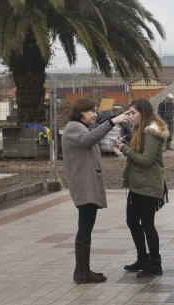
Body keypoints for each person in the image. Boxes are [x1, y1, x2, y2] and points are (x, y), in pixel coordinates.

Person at [62, 97, 133, 284]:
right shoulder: (74, 128)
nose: (95, 115)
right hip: (83, 185)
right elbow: (89, 140)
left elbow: (91, 140)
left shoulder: (79, 127)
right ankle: (82, 273)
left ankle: (83, 270)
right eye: (91, 111)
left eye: (95, 111)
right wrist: (112, 122)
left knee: (86, 228)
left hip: (86, 184)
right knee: (84, 228)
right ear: (81, 112)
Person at [114, 99, 168, 278]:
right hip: (138, 184)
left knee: (147, 224)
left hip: (148, 185)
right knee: (132, 221)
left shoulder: (151, 131)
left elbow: (146, 160)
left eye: (133, 113)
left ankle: (155, 263)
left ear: (143, 114)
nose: (130, 116)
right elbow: (139, 152)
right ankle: (142, 258)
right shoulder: (139, 129)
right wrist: (126, 146)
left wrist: (125, 149)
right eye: (129, 112)